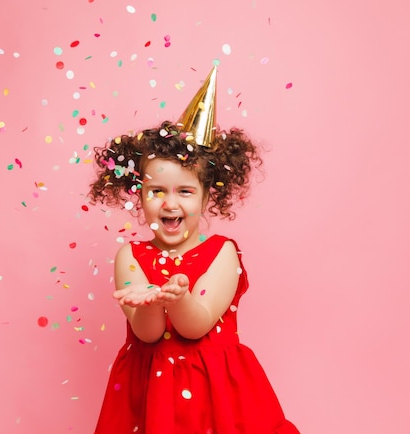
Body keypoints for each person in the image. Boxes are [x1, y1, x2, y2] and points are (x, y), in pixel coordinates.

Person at [88, 67, 299, 434]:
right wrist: (152, 302)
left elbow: (195, 325)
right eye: (157, 192)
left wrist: (176, 297)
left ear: (206, 197)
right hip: (150, 396)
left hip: (216, 395)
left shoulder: (222, 252)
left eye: (184, 191)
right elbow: (149, 335)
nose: (170, 204)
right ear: (139, 196)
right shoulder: (130, 258)